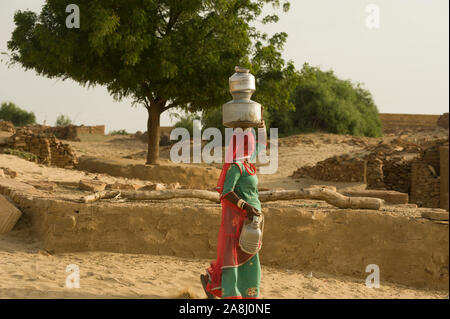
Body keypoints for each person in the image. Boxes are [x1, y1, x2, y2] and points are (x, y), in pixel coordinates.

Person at [200, 119, 267, 299]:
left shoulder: (248, 164)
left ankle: (242, 293)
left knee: (249, 256)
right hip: (237, 221)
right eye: (251, 144)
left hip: (250, 221)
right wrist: (245, 206)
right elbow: (226, 192)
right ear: (245, 146)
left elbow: (262, 143)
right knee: (234, 256)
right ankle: (230, 293)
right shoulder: (236, 167)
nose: (254, 148)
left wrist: (261, 125)